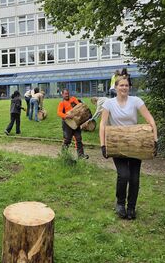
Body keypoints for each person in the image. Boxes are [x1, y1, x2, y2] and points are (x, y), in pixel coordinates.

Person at [99, 77, 157, 220]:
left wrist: (155, 139)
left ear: (129, 87)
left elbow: (150, 119)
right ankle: (120, 203)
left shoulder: (136, 101)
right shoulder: (109, 103)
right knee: (124, 175)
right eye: (121, 85)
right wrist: (103, 145)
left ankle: (131, 207)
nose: (124, 88)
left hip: (136, 144)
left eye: (126, 85)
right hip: (117, 144)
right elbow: (102, 124)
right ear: (116, 87)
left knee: (135, 179)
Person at [57, 89, 89, 159]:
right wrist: (66, 116)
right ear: (62, 94)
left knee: (78, 139)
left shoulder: (73, 99)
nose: (67, 95)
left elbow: (79, 106)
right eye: (65, 94)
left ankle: (81, 155)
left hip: (76, 122)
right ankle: (63, 155)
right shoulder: (62, 103)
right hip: (67, 124)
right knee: (67, 140)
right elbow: (59, 113)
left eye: (67, 93)